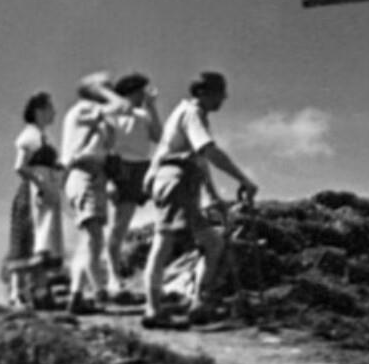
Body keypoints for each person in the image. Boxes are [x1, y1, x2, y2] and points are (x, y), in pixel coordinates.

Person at [142, 69, 260, 329]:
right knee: (163, 241)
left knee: (213, 243)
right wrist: (243, 179)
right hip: (174, 181)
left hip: (181, 182)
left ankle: (199, 303)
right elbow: (209, 151)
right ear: (204, 93)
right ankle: (153, 309)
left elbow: (200, 161)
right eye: (220, 93)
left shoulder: (194, 115)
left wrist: (214, 197)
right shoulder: (192, 113)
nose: (223, 99)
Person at [55, 73, 121, 313]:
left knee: (91, 238)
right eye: (106, 87)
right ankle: (85, 293)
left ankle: (85, 293)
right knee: (92, 237)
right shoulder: (84, 109)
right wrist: (104, 92)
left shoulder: (91, 115)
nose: (112, 90)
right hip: (84, 174)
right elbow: (119, 106)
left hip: (92, 176)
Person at [104, 72, 160, 305]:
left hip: (143, 168)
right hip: (121, 168)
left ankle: (150, 274)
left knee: (165, 216)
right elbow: (105, 148)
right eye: (139, 91)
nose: (142, 95)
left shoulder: (143, 114)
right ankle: (113, 277)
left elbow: (159, 137)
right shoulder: (110, 115)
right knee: (119, 225)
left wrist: (152, 108)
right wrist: (108, 180)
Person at [3, 93, 64, 307]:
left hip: (46, 191)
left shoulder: (43, 135)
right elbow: (20, 166)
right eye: (49, 108)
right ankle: (17, 292)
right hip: (33, 193)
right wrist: (40, 184)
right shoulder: (29, 135)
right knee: (27, 239)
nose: (53, 113)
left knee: (44, 241)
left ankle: (40, 291)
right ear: (39, 110)